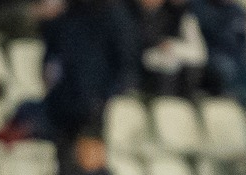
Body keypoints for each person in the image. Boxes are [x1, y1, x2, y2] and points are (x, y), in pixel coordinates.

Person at [39, 0, 139, 143]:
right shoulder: (66, 15)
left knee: (89, 151)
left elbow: (126, 66)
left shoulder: (115, 16)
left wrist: (103, 100)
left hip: (96, 109)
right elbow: (51, 56)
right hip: (63, 106)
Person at [135, 0, 206, 98]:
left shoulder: (186, 16)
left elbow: (199, 54)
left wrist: (172, 46)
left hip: (175, 60)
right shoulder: (135, 14)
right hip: (147, 62)